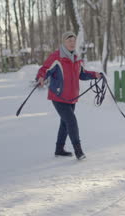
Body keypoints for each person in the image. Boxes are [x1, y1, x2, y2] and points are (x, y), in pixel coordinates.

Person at [36, 31, 101, 160]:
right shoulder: (56, 57)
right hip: (59, 96)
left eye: (73, 41)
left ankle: (59, 149)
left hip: (72, 97)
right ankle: (78, 151)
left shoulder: (77, 58)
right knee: (71, 121)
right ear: (63, 42)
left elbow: (82, 74)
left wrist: (94, 75)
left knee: (65, 123)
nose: (72, 43)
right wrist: (41, 77)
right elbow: (45, 69)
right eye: (69, 40)